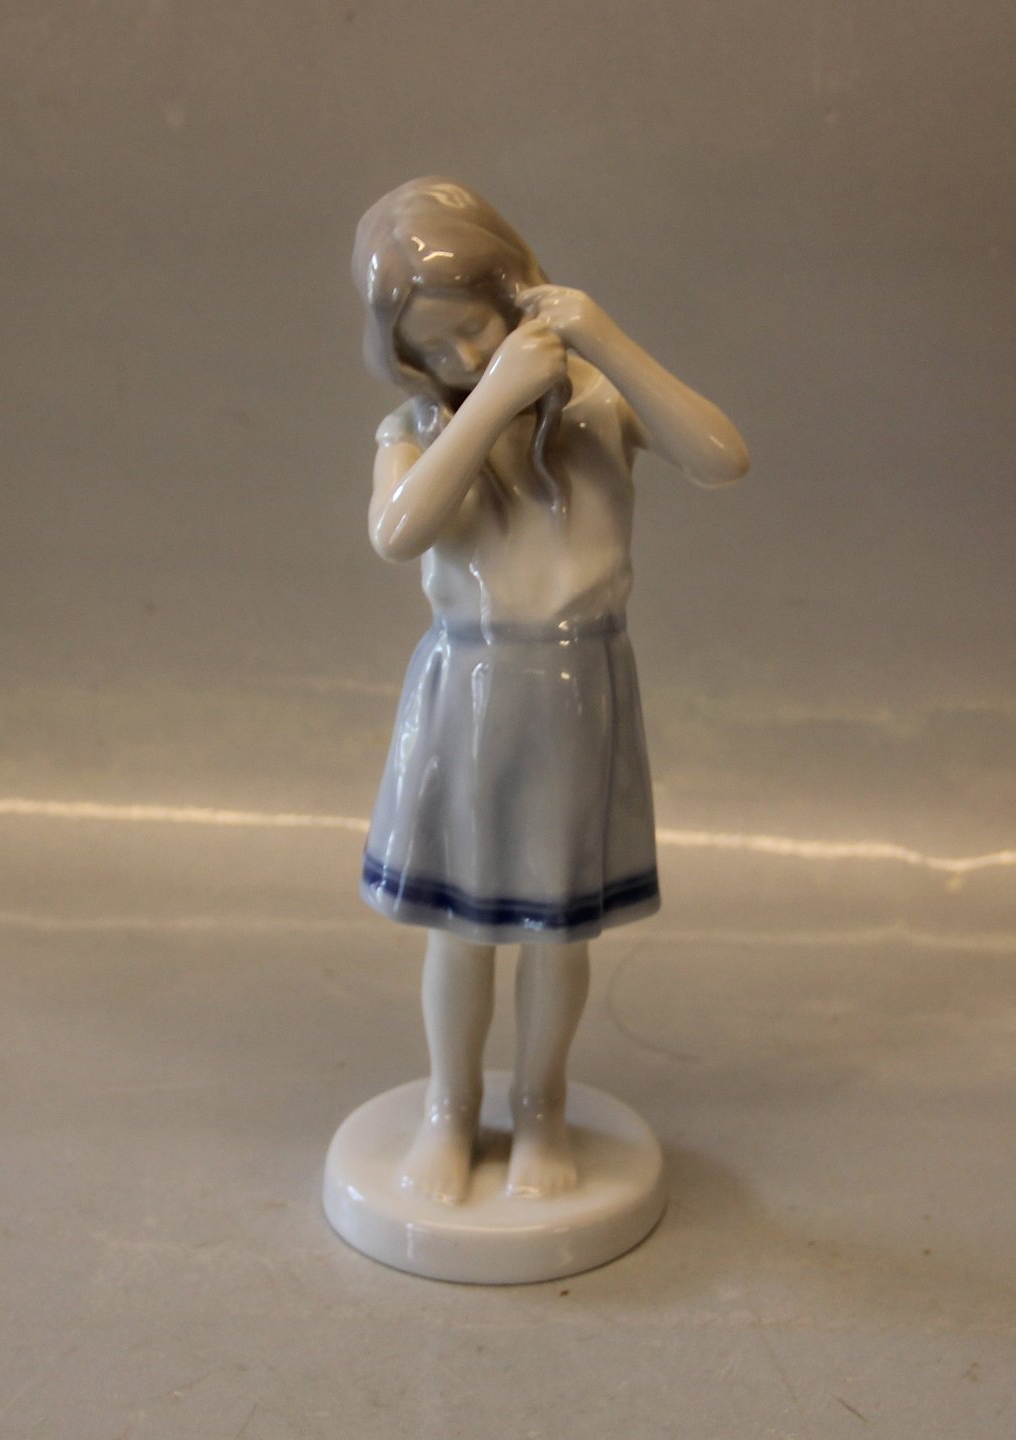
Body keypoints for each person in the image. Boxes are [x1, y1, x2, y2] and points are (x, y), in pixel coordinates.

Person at [352, 177, 749, 1205]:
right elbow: (398, 533)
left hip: (579, 685)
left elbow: (721, 457)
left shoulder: (598, 404)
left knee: (555, 926)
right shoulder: (416, 429)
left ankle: (541, 1106)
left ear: (517, 294)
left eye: (474, 330)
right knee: (459, 928)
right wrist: (487, 399)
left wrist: (601, 339)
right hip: (467, 685)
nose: (458, 358)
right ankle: (449, 1107)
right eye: (433, 348)